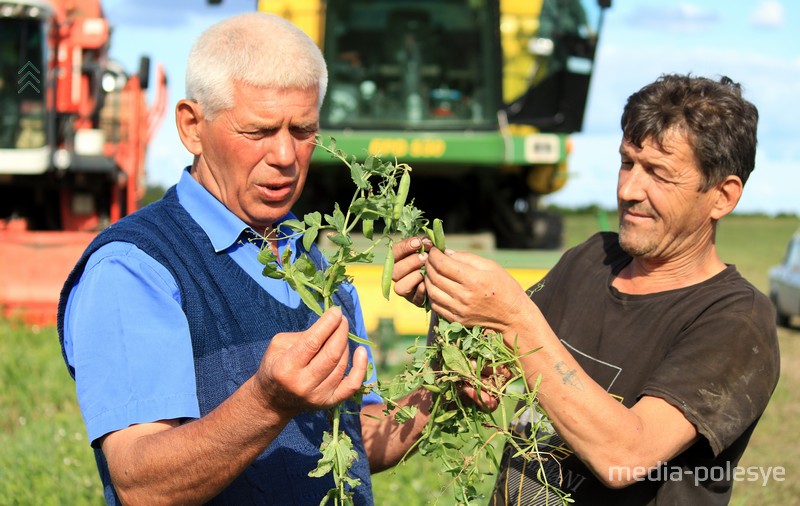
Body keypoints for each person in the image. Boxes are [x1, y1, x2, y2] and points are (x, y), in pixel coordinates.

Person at [57, 12, 494, 506]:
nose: (286, 155)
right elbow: (142, 483)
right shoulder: (138, 267)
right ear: (192, 126)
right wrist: (267, 402)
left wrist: (441, 389)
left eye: (303, 129)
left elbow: (349, 438)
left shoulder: (319, 266)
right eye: (259, 131)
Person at [392, 73, 780, 504]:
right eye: (628, 162)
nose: (629, 189)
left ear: (722, 197)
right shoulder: (593, 257)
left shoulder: (736, 318)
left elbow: (628, 455)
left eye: (659, 174)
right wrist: (449, 302)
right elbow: (497, 362)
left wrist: (514, 316)